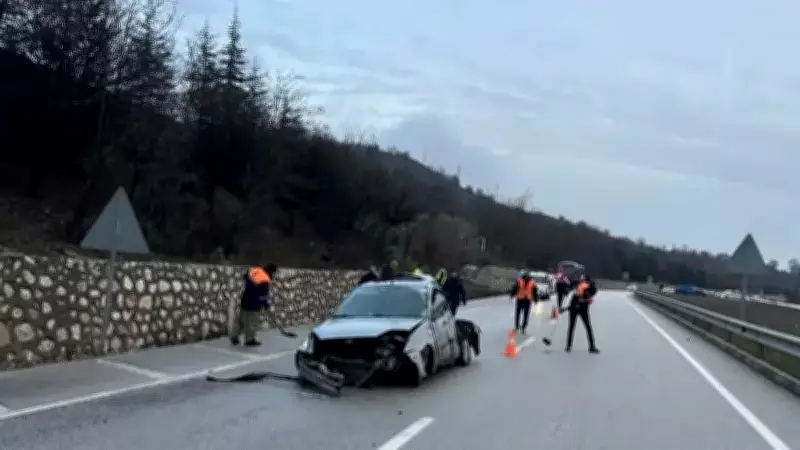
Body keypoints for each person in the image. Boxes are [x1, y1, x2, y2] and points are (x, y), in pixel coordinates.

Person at [230, 263, 277, 347]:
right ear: (272, 271)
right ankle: (249, 340)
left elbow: (245, 276)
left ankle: (234, 336)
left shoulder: (255, 271)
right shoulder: (265, 279)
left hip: (245, 299)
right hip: (254, 303)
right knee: (252, 322)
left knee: (242, 320)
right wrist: (266, 305)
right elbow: (263, 296)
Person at [565, 274, 599, 354]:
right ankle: (592, 346)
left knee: (571, 326)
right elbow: (589, 298)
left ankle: (568, 346)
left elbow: (569, 288)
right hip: (582, 309)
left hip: (573, 307)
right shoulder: (590, 288)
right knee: (588, 327)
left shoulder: (578, 284)